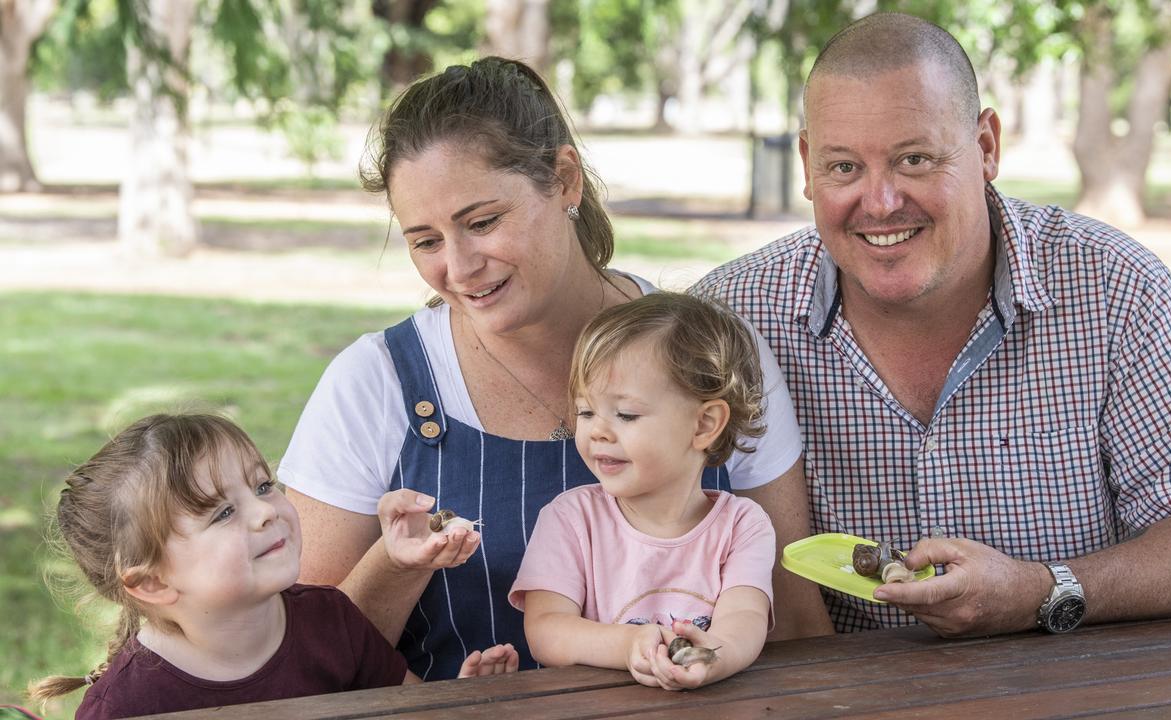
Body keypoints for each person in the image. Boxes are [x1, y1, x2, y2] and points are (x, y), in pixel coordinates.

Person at [693, 12, 1171, 637]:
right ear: (806, 163)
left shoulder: (1113, 288)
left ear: (987, 146)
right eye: (844, 168)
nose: (881, 202)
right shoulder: (728, 319)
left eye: (914, 159)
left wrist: (1041, 591)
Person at [278, 57, 831, 681]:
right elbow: (303, 657)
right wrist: (403, 560)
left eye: (482, 222)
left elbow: (795, 620)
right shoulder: (376, 384)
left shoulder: (716, 356)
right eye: (425, 241)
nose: (458, 269)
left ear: (564, 179)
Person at [26, 414, 517, 720]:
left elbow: (408, 710)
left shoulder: (331, 620)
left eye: (262, 486)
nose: (266, 510)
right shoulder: (127, 707)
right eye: (222, 512)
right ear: (152, 581)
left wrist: (457, 704)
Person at [512, 293, 774, 691]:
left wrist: (711, 658)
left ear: (704, 425)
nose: (597, 430)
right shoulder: (570, 518)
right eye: (586, 412)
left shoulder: (742, 526)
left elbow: (745, 619)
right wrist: (632, 644)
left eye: (626, 414)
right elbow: (546, 630)